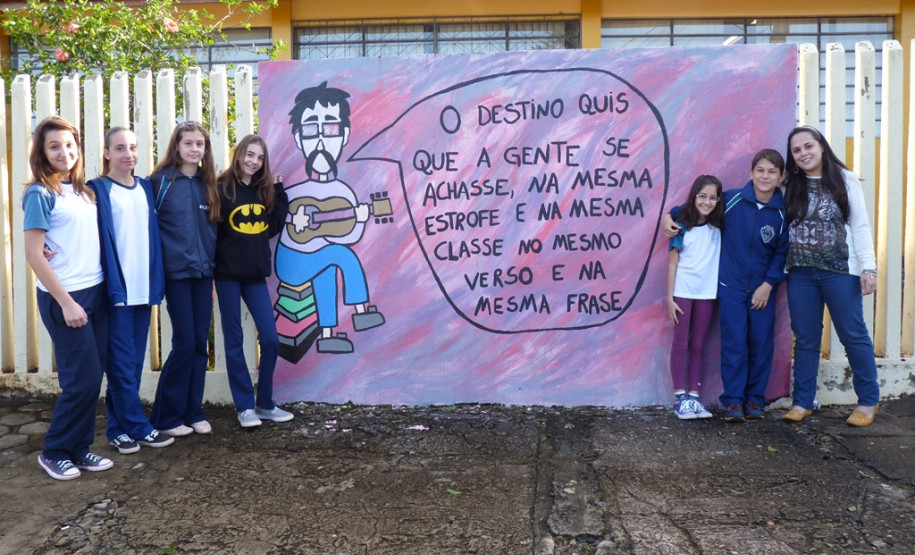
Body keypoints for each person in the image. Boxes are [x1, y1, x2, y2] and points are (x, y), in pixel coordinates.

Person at [664, 150, 790, 422]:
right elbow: (692, 209)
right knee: (734, 343)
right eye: (760, 170)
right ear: (751, 173)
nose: (765, 176)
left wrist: (769, 284)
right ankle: (733, 401)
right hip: (729, 288)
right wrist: (668, 217)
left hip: (762, 291)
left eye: (772, 172)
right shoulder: (731, 200)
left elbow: (782, 253)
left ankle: (755, 400)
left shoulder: (782, 213)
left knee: (760, 344)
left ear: (781, 177)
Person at [22, 116, 114, 480]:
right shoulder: (39, 193)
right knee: (82, 379)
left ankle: (79, 448)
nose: (64, 152)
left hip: (96, 291)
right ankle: (54, 450)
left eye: (69, 144)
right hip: (66, 297)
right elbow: (33, 254)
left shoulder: (82, 191)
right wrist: (66, 302)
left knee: (93, 376)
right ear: (42, 152)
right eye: (54, 146)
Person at [275, 81, 385, 355]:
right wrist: (291, 221)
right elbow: (277, 218)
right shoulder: (295, 191)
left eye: (331, 128)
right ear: (299, 139)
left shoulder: (342, 192)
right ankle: (362, 309)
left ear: (345, 135)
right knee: (341, 256)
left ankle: (328, 334)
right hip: (292, 260)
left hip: (319, 259)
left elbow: (347, 234)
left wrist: (360, 218)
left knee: (328, 269)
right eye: (311, 130)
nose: (322, 139)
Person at [780, 125, 879, 427]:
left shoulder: (845, 180)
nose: (803, 153)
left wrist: (869, 267)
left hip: (840, 271)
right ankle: (803, 401)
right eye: (797, 150)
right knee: (806, 339)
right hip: (801, 273)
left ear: (822, 146)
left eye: (808, 146)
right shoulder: (789, 185)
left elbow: (860, 226)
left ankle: (868, 401)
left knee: (853, 335)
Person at [87, 127, 174, 454]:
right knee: (122, 364)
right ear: (107, 153)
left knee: (132, 363)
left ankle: (116, 429)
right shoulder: (96, 191)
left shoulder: (147, 188)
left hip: (144, 287)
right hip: (117, 291)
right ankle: (139, 426)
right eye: (120, 148)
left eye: (133, 148)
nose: (128, 154)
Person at [214, 134, 294, 428]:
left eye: (260, 158)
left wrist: (280, 192)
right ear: (239, 155)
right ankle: (244, 406)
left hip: (255, 276)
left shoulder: (264, 191)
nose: (254, 162)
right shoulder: (222, 189)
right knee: (234, 339)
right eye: (249, 155)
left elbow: (270, 227)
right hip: (226, 276)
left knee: (271, 339)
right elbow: (214, 233)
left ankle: (265, 403)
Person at [148, 121, 219, 437]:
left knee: (199, 345)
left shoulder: (210, 183)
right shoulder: (160, 182)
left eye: (199, 144)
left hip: (204, 274)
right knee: (184, 342)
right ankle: (165, 416)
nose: (194, 149)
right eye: (188, 143)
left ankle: (193, 411)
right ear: (176, 147)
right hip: (176, 275)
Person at [665, 175, 723, 419]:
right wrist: (669, 298)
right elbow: (672, 263)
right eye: (702, 196)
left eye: (712, 197)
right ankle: (680, 399)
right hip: (683, 292)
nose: (707, 202)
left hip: (707, 294)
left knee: (699, 344)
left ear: (718, 200)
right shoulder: (681, 226)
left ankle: (694, 398)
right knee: (680, 343)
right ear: (694, 196)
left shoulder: (719, 226)